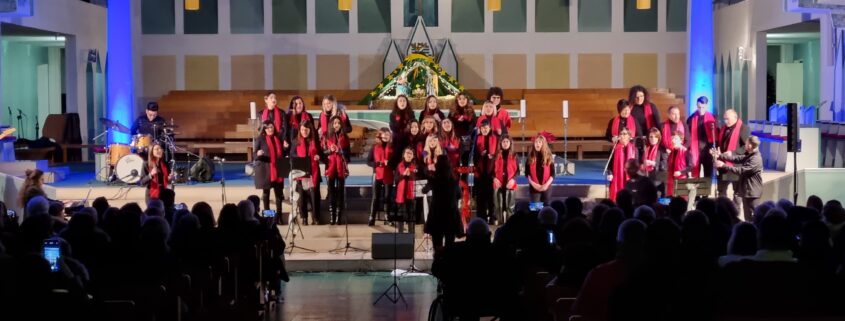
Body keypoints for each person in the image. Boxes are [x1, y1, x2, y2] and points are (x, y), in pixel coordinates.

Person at [712, 136, 763, 222]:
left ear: (750, 145)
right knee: (748, 217)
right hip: (748, 191)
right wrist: (720, 155)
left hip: (753, 193)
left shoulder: (755, 159)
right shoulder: (750, 155)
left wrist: (723, 165)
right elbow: (737, 158)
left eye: (746, 144)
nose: (745, 145)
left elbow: (741, 170)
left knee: (753, 218)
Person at [422, 155, 463, 255]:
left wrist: (429, 175)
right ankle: (448, 268)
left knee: (437, 246)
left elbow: (424, 190)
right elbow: (459, 195)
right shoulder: (454, 180)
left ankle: (437, 267)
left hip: (437, 215)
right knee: (450, 246)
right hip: (451, 216)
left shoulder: (434, 179)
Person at [716, 109, 751, 211]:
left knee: (737, 193)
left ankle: (735, 213)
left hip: (736, 166)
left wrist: (733, 152)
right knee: (721, 191)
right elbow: (721, 145)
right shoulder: (723, 129)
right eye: (724, 119)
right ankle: (723, 211)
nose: (725, 121)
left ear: (735, 118)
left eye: (727, 119)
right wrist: (717, 152)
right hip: (723, 165)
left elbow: (747, 147)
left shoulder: (744, 128)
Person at [253, 120, 286, 222]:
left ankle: (279, 216)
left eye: (271, 127)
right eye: (267, 128)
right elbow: (254, 155)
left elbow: (282, 153)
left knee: (279, 195)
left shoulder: (278, 138)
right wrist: (258, 154)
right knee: (266, 195)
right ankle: (268, 215)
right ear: (264, 129)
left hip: (279, 169)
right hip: (267, 171)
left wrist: (285, 148)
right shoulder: (260, 139)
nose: (270, 129)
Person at [290, 123, 323, 225]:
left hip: (313, 172)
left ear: (310, 130)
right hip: (301, 172)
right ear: (300, 130)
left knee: (315, 196)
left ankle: (316, 218)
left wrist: (318, 156)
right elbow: (292, 155)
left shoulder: (315, 141)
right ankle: (304, 218)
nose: (305, 131)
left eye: (307, 129)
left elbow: (321, 153)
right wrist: (299, 158)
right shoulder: (296, 141)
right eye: (303, 129)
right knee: (302, 198)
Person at [323, 116, 350, 225]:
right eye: (334, 123)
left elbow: (348, 155)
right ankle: (332, 216)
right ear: (331, 125)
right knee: (331, 192)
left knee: (340, 192)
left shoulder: (345, 137)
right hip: (330, 167)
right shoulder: (326, 137)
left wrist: (340, 151)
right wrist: (329, 150)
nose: (336, 125)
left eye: (338, 123)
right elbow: (323, 153)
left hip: (341, 167)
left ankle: (339, 216)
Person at [367, 128, 395, 226]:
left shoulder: (392, 146)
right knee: (376, 197)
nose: (386, 136)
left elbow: (396, 161)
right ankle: (372, 217)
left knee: (388, 197)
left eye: (388, 134)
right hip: (377, 173)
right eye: (384, 134)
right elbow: (368, 161)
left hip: (388, 173)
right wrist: (376, 164)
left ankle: (387, 217)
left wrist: (390, 162)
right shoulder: (374, 146)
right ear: (380, 135)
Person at [687, 96, 717, 178]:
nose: (700, 109)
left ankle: (707, 191)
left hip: (708, 150)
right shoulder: (691, 119)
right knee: (695, 175)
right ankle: (697, 190)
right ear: (696, 105)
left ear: (706, 105)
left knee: (708, 174)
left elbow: (716, 135)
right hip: (695, 150)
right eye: (699, 107)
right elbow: (688, 135)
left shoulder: (713, 118)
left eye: (703, 107)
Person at [474, 120, 497, 224]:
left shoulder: (495, 138)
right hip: (480, 172)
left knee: (491, 197)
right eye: (482, 128)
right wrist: (480, 155)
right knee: (480, 197)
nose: (484, 129)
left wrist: (493, 157)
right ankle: (481, 219)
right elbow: (473, 155)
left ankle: (492, 217)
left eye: (486, 127)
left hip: (491, 172)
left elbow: (499, 154)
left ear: (490, 128)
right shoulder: (477, 138)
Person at [608, 127, 637, 202]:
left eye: (624, 134)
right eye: (620, 134)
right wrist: (610, 173)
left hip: (629, 176)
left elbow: (637, 164)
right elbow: (609, 164)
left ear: (629, 136)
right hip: (617, 175)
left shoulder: (634, 148)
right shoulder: (614, 148)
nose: (622, 136)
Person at [494, 135, 518, 224]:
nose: (505, 143)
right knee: (499, 207)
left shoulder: (514, 155)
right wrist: (494, 179)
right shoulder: (496, 155)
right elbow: (491, 169)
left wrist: (513, 179)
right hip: (498, 184)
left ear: (510, 143)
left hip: (510, 184)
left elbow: (518, 170)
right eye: (503, 142)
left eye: (507, 142)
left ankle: (510, 225)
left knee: (510, 207)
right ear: (500, 143)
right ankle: (499, 226)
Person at [527, 132, 555, 204]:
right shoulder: (530, 157)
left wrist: (545, 185)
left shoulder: (549, 157)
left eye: (539, 142)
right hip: (534, 188)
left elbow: (553, 174)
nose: (537, 144)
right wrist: (534, 185)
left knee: (546, 209)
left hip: (546, 187)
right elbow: (527, 174)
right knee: (535, 210)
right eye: (536, 142)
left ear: (543, 144)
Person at [395, 148, 418, 233]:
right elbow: (396, 180)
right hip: (401, 195)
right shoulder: (399, 165)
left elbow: (418, 179)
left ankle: (411, 234)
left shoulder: (415, 166)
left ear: (413, 156)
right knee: (401, 215)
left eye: (411, 153)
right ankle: (400, 234)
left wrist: (411, 174)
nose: (409, 155)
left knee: (411, 215)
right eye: (407, 153)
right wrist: (403, 174)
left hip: (411, 195)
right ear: (403, 155)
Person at [665, 129, 691, 196]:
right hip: (672, 180)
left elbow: (690, 167)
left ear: (681, 140)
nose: (673, 141)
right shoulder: (672, 152)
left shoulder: (686, 152)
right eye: (672, 139)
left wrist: (680, 172)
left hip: (682, 180)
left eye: (675, 139)